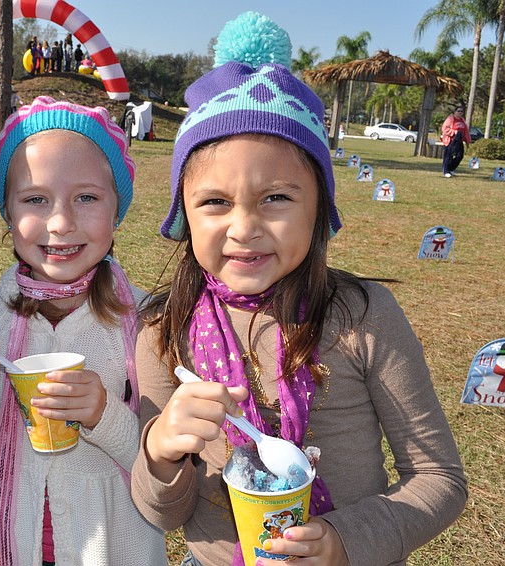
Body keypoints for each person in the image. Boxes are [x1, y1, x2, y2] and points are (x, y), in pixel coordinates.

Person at [130, 11, 467, 566]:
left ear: (319, 210)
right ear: (184, 216)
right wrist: (162, 451)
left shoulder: (364, 315)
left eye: (277, 198)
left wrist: (345, 542)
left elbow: (439, 477)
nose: (244, 228)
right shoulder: (162, 331)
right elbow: (161, 512)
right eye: (214, 202)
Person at [0, 96, 167, 565]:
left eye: (86, 197)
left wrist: (103, 415)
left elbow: (163, 477)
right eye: (35, 199)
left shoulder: (148, 321)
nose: (61, 223)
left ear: (117, 208)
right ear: (7, 210)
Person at [441, 106, 472, 178]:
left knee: (460, 156)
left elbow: (466, 132)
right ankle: (446, 171)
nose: (460, 113)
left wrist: (468, 142)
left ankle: (451, 169)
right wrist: (454, 132)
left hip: (459, 141)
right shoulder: (450, 119)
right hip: (450, 140)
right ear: (455, 112)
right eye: (458, 111)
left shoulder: (462, 120)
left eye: (461, 111)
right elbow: (445, 128)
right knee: (448, 156)